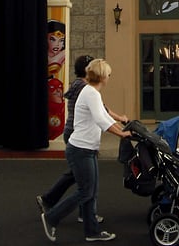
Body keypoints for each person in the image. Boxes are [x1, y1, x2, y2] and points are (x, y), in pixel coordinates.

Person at [39, 58, 131, 243]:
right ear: (102, 76)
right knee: (85, 192)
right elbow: (101, 119)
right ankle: (52, 217)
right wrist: (122, 134)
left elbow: (104, 115)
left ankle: (92, 231)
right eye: (109, 74)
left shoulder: (91, 92)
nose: (109, 77)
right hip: (80, 149)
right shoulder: (91, 93)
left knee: (91, 191)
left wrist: (122, 125)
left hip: (86, 149)